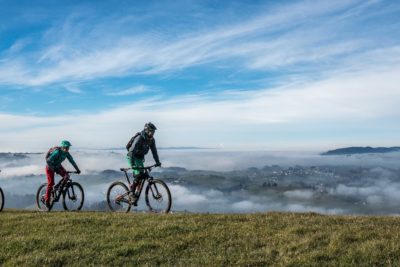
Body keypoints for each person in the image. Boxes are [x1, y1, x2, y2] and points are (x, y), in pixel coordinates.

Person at [126, 122, 161, 202]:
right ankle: (131, 193)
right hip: (131, 157)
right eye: (151, 131)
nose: (152, 133)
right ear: (146, 130)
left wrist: (157, 162)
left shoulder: (152, 140)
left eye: (153, 132)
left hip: (139, 158)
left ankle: (134, 190)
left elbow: (154, 152)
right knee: (138, 175)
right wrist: (132, 164)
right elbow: (131, 151)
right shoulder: (139, 138)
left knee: (141, 175)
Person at [44, 140, 81, 208]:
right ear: (62, 147)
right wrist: (53, 168)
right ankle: (47, 200)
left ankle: (59, 187)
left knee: (66, 176)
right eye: (66, 147)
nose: (67, 149)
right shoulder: (57, 152)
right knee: (51, 183)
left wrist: (77, 169)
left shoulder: (67, 153)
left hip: (57, 166)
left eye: (68, 147)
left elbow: (72, 161)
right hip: (49, 167)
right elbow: (48, 161)